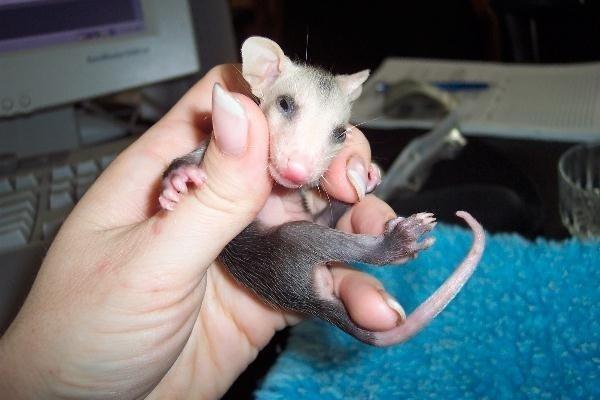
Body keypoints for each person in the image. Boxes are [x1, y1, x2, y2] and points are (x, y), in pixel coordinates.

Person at [0, 65, 404, 399]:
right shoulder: (233, 138)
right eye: (286, 106)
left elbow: (317, 200)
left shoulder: (290, 163)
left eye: (335, 135)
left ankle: (371, 235)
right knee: (301, 238)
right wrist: (180, 174)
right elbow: (193, 160)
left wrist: (354, 185)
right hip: (271, 249)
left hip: (286, 256)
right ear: (262, 76)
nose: (301, 167)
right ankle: (380, 246)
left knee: (321, 218)